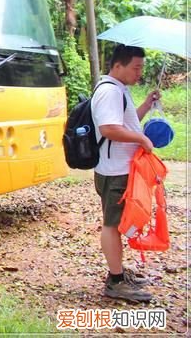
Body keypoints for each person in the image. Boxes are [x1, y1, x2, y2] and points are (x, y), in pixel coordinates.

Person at [91, 44, 160, 302]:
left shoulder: (119, 90)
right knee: (112, 225)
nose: (139, 73)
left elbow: (127, 123)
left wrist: (145, 104)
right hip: (114, 171)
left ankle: (118, 271)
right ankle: (116, 281)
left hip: (120, 168)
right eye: (136, 67)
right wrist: (142, 140)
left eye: (141, 67)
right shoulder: (109, 91)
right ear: (118, 65)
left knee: (119, 223)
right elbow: (109, 128)